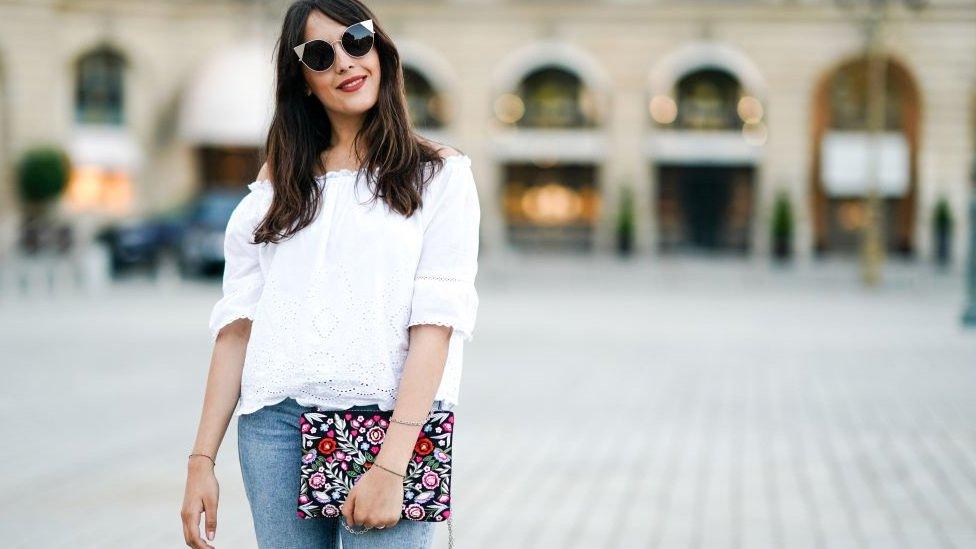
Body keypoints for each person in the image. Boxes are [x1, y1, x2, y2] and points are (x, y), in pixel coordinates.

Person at [179, 1, 481, 547]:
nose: (345, 62)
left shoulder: (439, 174)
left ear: (380, 50)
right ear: (302, 80)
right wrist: (202, 458)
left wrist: (393, 466)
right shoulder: (277, 188)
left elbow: (435, 327)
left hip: (391, 425)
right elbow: (237, 329)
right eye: (321, 54)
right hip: (275, 430)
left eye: (357, 40)